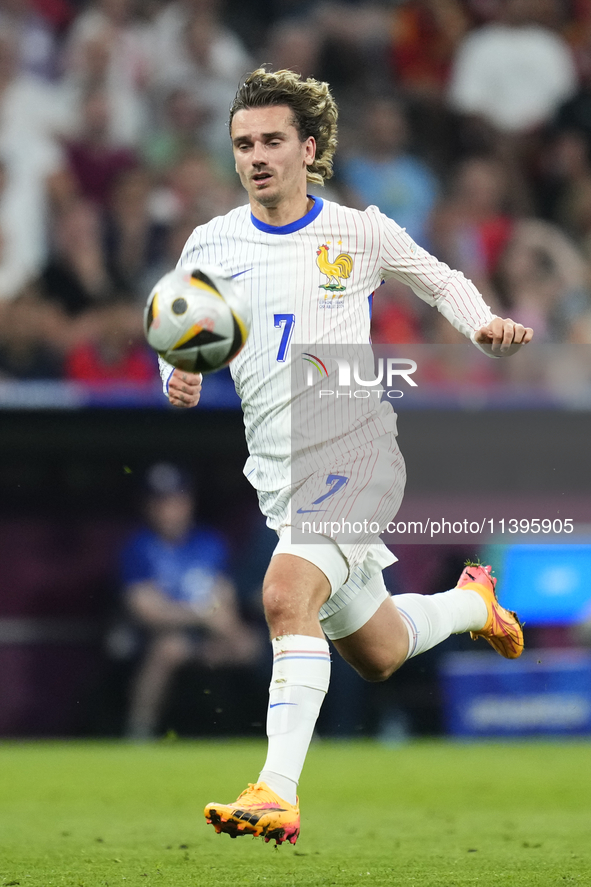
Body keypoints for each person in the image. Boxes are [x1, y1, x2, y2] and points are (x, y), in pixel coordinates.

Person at [157, 68, 533, 845]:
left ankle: (275, 789)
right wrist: (179, 372)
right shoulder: (211, 242)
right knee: (378, 649)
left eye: (270, 141)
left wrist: (481, 323)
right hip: (278, 472)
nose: (255, 156)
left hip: (355, 449)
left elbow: (440, 280)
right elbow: (181, 329)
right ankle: (474, 604)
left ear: (309, 148)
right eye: (242, 144)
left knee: (282, 592)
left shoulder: (357, 231)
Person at [120, 462, 259, 739]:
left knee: (254, 646)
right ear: (148, 506)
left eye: (176, 500)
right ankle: (139, 730)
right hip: (157, 636)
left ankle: (275, 732)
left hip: (208, 635)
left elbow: (224, 598)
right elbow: (144, 609)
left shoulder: (209, 543)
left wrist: (228, 631)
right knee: (169, 649)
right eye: (160, 502)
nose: (169, 509)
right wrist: (199, 616)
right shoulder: (139, 546)